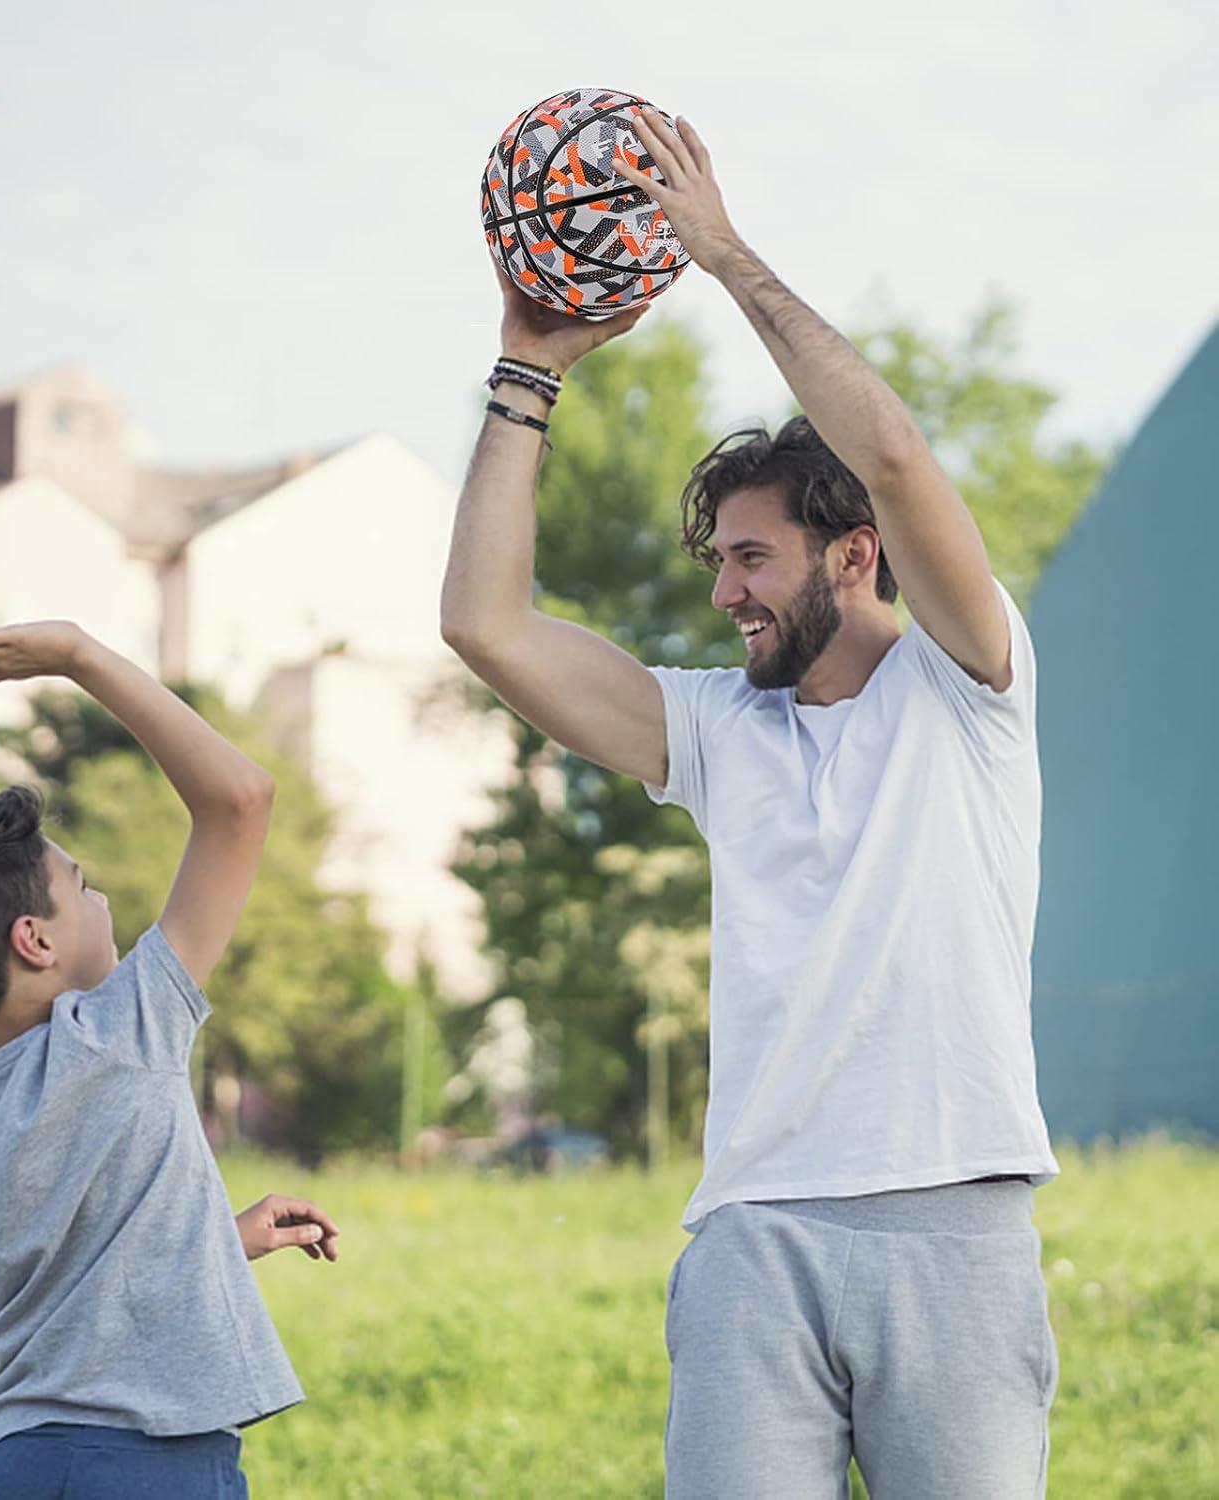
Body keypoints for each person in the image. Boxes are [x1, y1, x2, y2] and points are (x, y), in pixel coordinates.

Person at [443, 109, 1059, 1499]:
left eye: (752, 560)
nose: (724, 595)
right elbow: (485, 623)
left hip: (950, 1225)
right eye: (720, 562)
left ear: (856, 556)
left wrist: (722, 258)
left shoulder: (973, 684)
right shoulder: (719, 729)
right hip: (753, 1240)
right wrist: (527, 367)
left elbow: (897, 459)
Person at [0, 619, 340, 1500]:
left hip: (21, 1461)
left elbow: (69, 1291)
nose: (107, 896)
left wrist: (220, 1240)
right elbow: (240, 799)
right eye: (82, 885)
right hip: (148, 1461)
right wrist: (77, 655)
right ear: (35, 939)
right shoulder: (118, 1035)